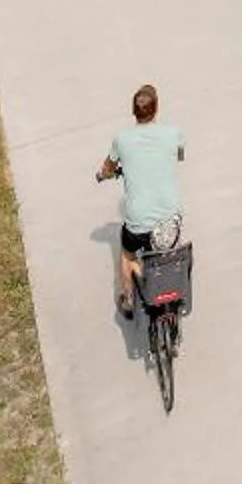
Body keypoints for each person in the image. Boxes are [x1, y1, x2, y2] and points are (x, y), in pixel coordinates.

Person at [96, 81, 185, 318]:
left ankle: (127, 300)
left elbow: (107, 168)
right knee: (166, 248)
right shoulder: (172, 133)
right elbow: (180, 154)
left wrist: (103, 175)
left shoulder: (121, 139)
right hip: (170, 221)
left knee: (128, 254)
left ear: (133, 111)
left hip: (138, 224)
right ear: (156, 109)